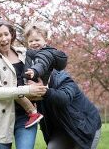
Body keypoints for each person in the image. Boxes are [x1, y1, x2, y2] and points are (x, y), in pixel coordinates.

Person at [22, 21, 102, 149]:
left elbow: (64, 99)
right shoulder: (34, 76)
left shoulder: (62, 78)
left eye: (37, 39)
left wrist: (45, 92)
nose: (34, 43)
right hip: (60, 129)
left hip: (84, 127)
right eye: (31, 41)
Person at [0, 19, 48, 149]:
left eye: (6, 34)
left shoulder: (24, 53)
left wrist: (43, 85)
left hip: (27, 116)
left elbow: (44, 65)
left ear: (11, 34)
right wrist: (27, 90)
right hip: (1, 117)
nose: (4, 39)